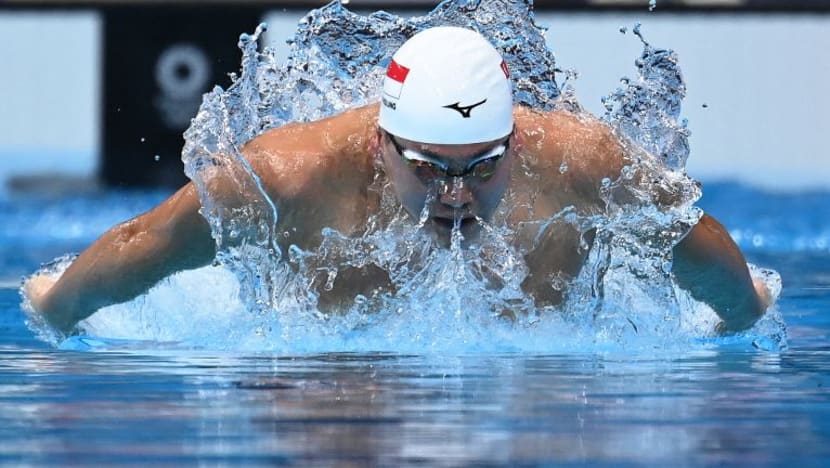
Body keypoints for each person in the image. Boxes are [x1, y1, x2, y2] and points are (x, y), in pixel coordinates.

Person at [25, 27, 771, 335]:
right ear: (381, 143)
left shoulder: (582, 165)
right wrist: (54, 311)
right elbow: (144, 240)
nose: (455, 193)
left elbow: (692, 236)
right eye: (428, 167)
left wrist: (741, 321)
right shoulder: (287, 179)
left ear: (514, 143)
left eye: (482, 167)